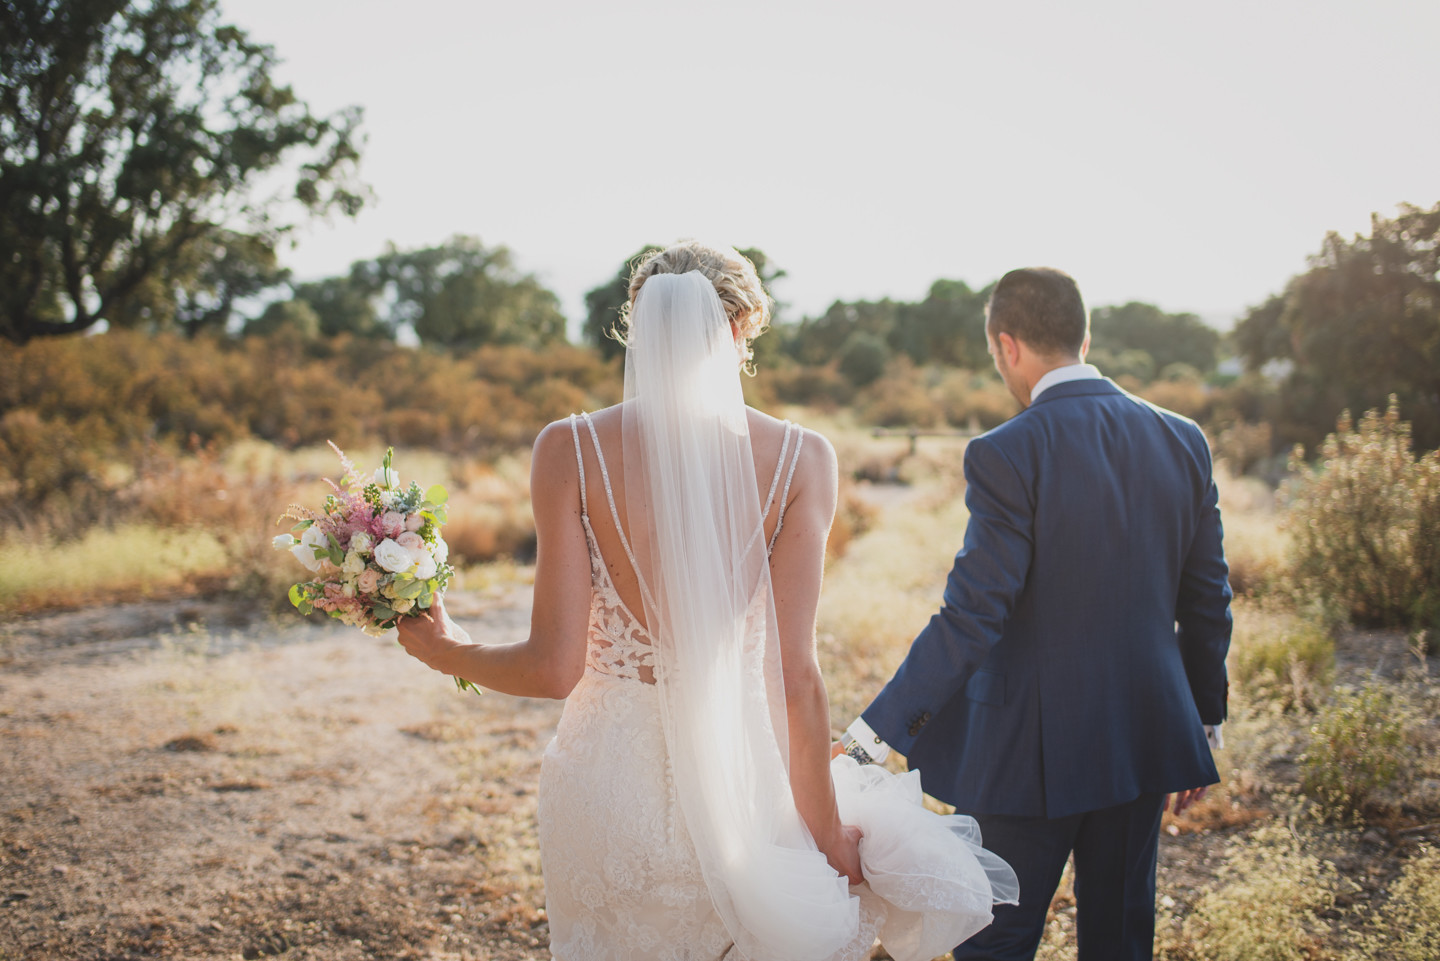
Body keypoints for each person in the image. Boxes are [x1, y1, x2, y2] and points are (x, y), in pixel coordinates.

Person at [397, 242, 1015, 961]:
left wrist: (447, 650)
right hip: (739, 779)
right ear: (744, 326)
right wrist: (825, 834)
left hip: (606, 781)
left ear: (638, 325)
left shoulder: (567, 448)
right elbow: (794, 676)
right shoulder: (801, 459)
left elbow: (552, 668)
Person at [839, 267, 1232, 961]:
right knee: (1121, 941)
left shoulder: (1006, 450)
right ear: (1085, 337)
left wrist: (875, 734)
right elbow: (1207, 598)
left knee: (996, 943)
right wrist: (1202, 719)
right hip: (1143, 736)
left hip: (1026, 750)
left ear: (1008, 345)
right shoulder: (1182, 438)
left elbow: (974, 613)